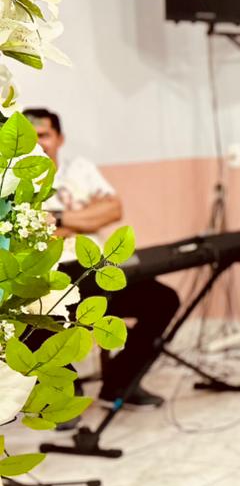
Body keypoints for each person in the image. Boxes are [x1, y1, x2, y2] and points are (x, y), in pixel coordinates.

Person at [24, 108, 181, 408]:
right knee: (32, 313)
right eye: (30, 137)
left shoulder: (79, 170)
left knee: (163, 300)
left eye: (44, 135)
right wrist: (85, 218)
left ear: (60, 139)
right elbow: (29, 233)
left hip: (98, 269)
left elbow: (113, 210)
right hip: (50, 277)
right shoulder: (14, 181)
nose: (38, 143)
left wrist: (58, 219)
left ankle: (120, 383)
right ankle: (63, 399)